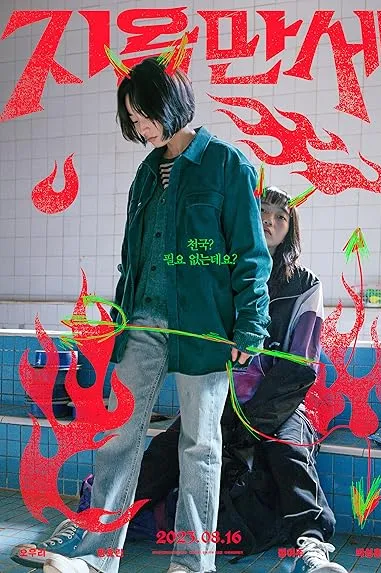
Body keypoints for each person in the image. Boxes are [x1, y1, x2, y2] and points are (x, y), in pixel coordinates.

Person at [12, 188, 348, 573]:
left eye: (281, 216)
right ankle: (87, 527)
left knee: (288, 451)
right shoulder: (223, 275)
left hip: (279, 405)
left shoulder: (305, 285)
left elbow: (301, 366)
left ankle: (313, 548)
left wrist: (251, 422)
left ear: (291, 230)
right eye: (262, 211)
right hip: (218, 398)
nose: (269, 220)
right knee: (162, 453)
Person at [28, 57, 270, 573]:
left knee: (200, 446)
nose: (139, 128)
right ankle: (98, 558)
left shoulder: (228, 165)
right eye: (133, 119)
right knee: (118, 436)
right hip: (141, 323)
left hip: (203, 330)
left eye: (143, 115)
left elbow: (251, 256)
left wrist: (250, 326)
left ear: (171, 102)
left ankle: (192, 563)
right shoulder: (145, 173)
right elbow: (133, 255)